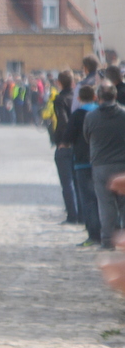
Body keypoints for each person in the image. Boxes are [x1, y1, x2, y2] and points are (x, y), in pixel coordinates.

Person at [84, 80, 125, 250]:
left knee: (105, 204)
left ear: (98, 97)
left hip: (101, 164)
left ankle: (107, 241)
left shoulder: (91, 116)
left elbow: (87, 137)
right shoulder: (123, 114)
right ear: (115, 95)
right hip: (123, 163)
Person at [62, 85, 100, 247]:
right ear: (94, 97)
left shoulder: (77, 115)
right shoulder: (100, 112)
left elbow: (67, 138)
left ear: (79, 99)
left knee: (88, 200)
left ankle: (93, 234)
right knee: (103, 199)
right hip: (101, 160)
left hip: (82, 162)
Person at [54, 71, 79, 225]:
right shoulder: (77, 97)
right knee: (78, 180)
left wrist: (65, 140)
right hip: (79, 143)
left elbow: (63, 122)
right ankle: (81, 214)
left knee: (67, 181)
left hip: (66, 143)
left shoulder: (60, 99)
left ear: (60, 83)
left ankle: (72, 215)